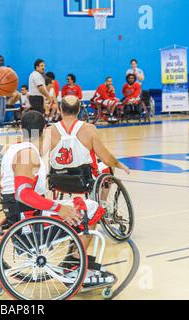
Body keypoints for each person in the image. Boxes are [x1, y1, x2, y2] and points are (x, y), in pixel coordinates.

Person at [43, 95, 130, 285]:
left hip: (58, 181)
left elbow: (41, 159)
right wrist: (119, 164)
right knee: (107, 170)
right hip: (83, 182)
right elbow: (106, 158)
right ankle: (102, 203)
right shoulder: (89, 129)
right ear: (80, 109)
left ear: (60, 108)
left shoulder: (49, 131)